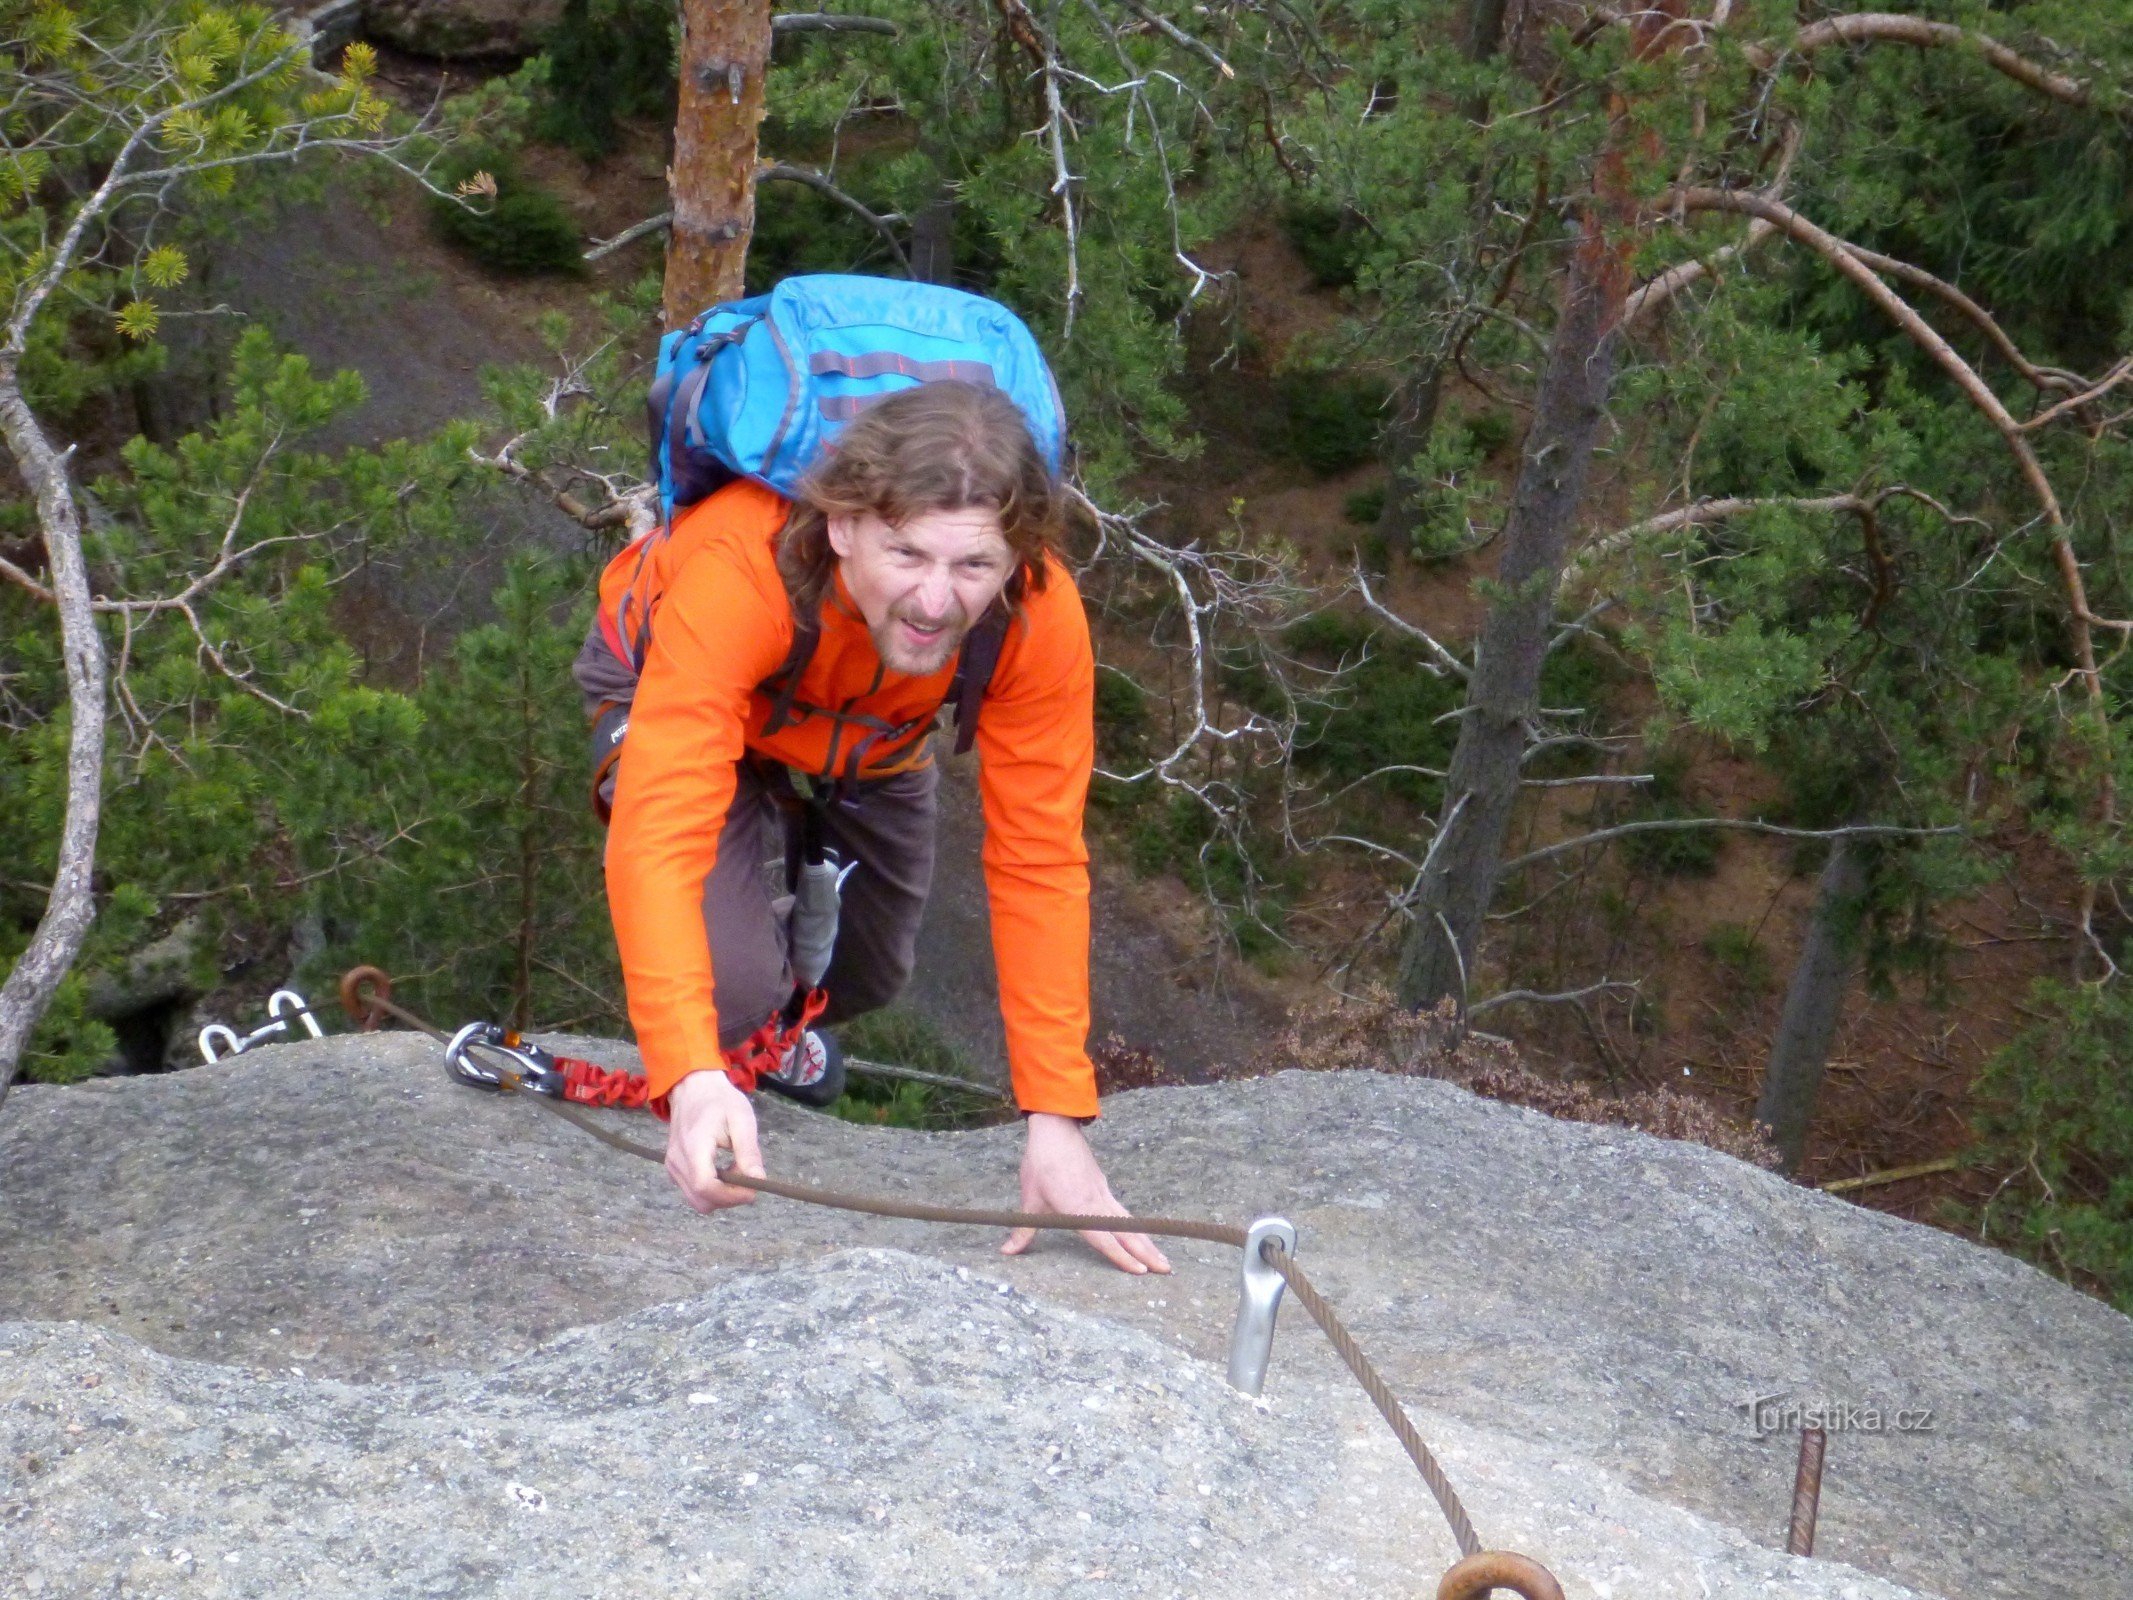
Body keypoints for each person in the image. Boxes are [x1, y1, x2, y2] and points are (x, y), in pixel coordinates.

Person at [592, 379, 1170, 1275]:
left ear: (1017, 555)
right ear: (841, 524)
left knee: (872, 968)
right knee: (727, 1000)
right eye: (907, 554)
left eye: (973, 566)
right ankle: (748, 1018)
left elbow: (1039, 857)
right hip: (684, 689)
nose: (936, 602)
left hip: (876, 724)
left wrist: (1055, 1119)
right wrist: (690, 1073)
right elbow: (659, 829)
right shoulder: (738, 566)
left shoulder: (1034, 614)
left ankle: (777, 1020)